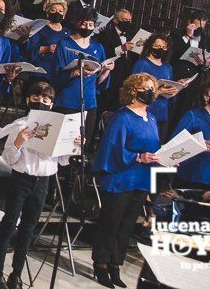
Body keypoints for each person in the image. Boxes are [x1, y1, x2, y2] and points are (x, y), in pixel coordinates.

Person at [0, 81, 80, 289]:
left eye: (46, 100)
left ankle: (16, 274)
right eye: (36, 98)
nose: (41, 102)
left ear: (52, 103)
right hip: (21, 179)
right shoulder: (19, 124)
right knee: (9, 224)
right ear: (27, 100)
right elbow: (8, 158)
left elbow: (62, 161)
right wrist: (19, 142)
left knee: (28, 228)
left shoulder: (56, 128)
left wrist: (74, 146)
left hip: (43, 182)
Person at [91, 73, 161, 289]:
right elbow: (112, 149)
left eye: (152, 88)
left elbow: (154, 147)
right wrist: (138, 157)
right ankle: (101, 264)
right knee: (111, 223)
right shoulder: (122, 117)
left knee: (127, 225)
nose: (149, 91)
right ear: (133, 90)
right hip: (121, 176)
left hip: (140, 178)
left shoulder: (152, 118)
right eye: (145, 87)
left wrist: (162, 158)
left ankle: (115, 264)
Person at [50, 11, 114, 143]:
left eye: (91, 25)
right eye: (84, 24)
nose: (87, 27)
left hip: (89, 101)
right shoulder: (65, 44)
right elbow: (56, 74)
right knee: (64, 141)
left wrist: (107, 70)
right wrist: (74, 73)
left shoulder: (98, 47)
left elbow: (99, 80)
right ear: (77, 23)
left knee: (84, 142)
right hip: (67, 99)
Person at [130, 34, 181, 142]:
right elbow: (134, 90)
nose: (160, 49)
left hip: (162, 113)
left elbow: (168, 86)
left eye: (164, 47)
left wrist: (175, 89)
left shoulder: (167, 67)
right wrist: (158, 91)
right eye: (157, 46)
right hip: (145, 110)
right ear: (150, 46)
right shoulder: (142, 63)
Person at [169, 10, 210, 129]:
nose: (198, 30)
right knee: (170, 115)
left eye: (201, 28)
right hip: (175, 80)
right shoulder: (176, 34)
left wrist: (206, 64)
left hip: (193, 84)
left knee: (183, 117)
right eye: (196, 27)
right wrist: (188, 35)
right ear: (189, 23)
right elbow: (172, 53)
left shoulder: (207, 40)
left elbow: (209, 64)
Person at [95, 9, 138, 114]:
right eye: (124, 19)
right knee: (104, 108)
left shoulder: (131, 35)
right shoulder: (105, 34)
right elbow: (104, 53)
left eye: (129, 20)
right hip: (111, 77)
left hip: (125, 79)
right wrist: (121, 49)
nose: (127, 22)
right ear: (115, 20)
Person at [26, 0, 69, 78]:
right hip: (41, 70)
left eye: (60, 11)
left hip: (59, 72)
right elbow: (30, 50)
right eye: (53, 10)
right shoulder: (40, 28)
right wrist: (47, 48)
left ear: (64, 15)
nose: (57, 13)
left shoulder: (67, 32)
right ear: (48, 13)